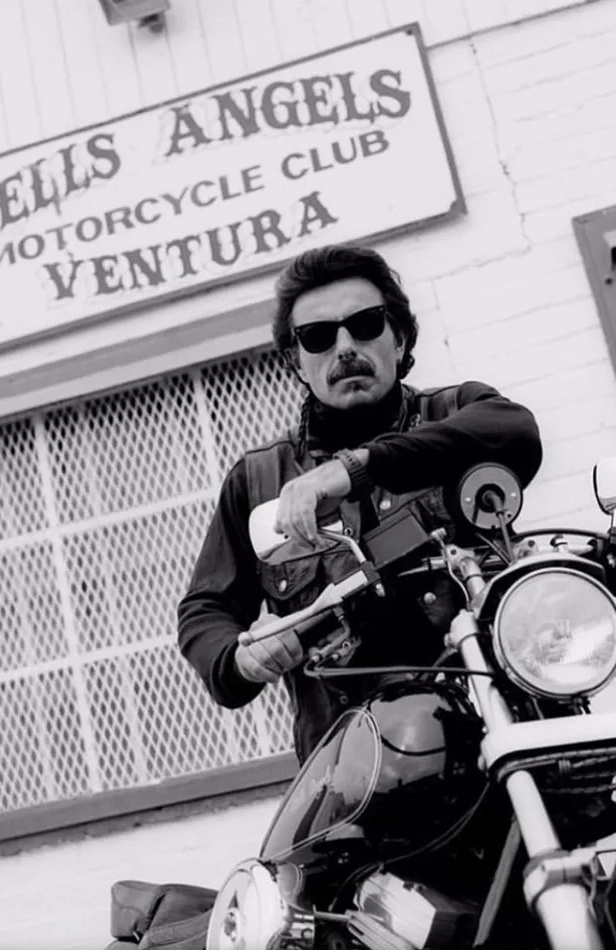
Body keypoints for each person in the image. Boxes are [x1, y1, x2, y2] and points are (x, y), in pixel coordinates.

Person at [178, 244, 542, 764]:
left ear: (400, 339)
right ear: (296, 362)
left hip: (493, 727)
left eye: (367, 324)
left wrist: (349, 471)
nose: (345, 346)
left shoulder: (458, 412)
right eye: (319, 337)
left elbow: (515, 431)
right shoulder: (259, 478)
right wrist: (239, 658)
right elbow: (205, 608)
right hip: (348, 766)